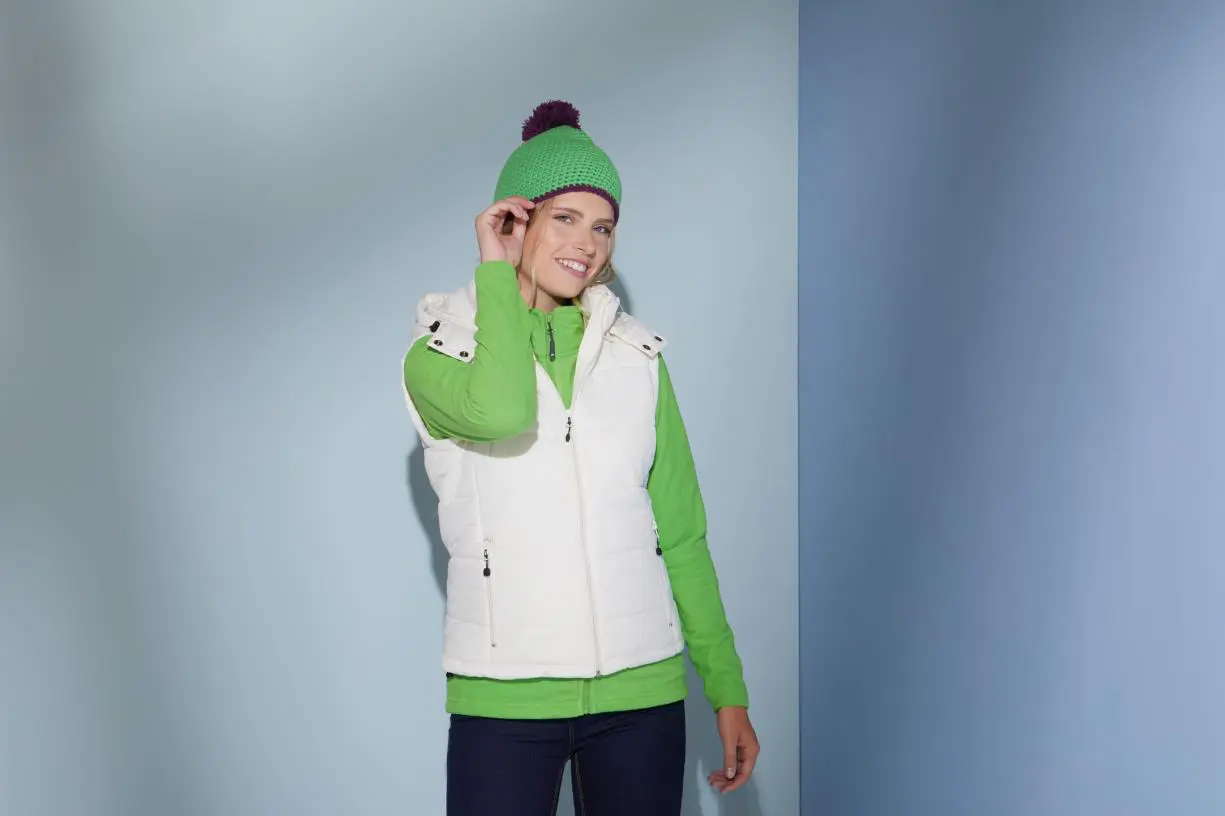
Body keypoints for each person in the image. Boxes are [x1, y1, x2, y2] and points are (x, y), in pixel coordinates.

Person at [401, 99, 759, 815]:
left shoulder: (637, 359)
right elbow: (503, 411)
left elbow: (682, 534)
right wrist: (497, 274)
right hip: (504, 698)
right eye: (564, 217)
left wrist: (727, 689)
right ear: (515, 219)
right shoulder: (438, 354)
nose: (587, 243)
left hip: (642, 696)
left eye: (602, 226)